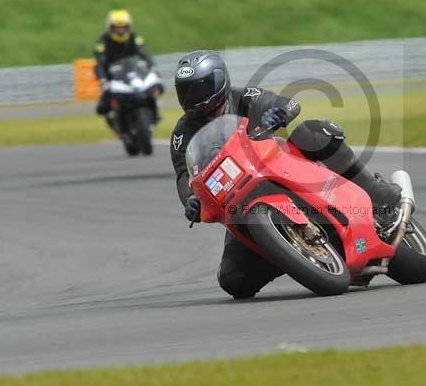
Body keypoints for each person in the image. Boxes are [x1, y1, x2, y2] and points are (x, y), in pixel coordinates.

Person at [169, 49, 402, 299]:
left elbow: (289, 103)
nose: (194, 96)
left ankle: (376, 193)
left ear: (220, 81)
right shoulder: (182, 135)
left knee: (312, 133)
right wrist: (191, 200)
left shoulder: (244, 97)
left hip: (277, 164)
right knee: (233, 280)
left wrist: (277, 113)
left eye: (202, 87)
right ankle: (288, 250)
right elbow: (185, 176)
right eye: (187, 90)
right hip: (237, 197)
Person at [93, 9, 155, 116]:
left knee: (156, 86)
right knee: (102, 108)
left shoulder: (134, 38)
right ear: (111, 27)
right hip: (113, 76)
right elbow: (100, 62)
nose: (121, 31)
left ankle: (154, 112)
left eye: (123, 27)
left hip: (134, 74)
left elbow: (144, 53)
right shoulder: (102, 41)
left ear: (128, 27)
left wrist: (151, 67)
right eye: (117, 28)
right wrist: (103, 80)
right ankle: (113, 115)